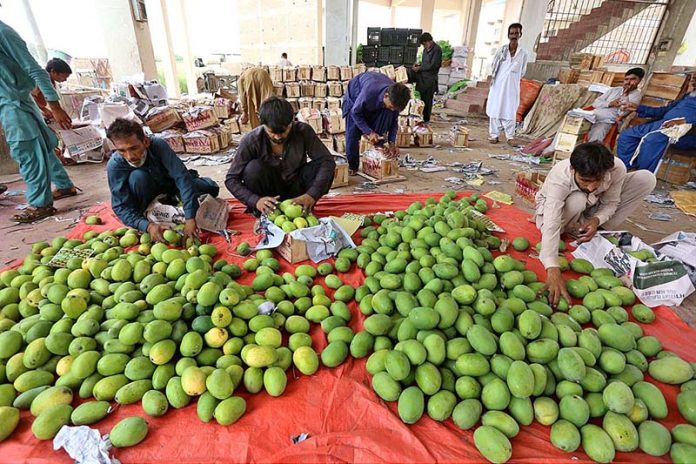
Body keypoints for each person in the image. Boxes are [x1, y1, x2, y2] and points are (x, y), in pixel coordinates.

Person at [535, 142, 656, 305]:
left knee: (646, 179)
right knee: (578, 200)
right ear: (573, 170)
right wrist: (552, 268)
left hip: (591, 208)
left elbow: (611, 203)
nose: (591, 187)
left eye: (597, 180)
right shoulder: (560, 176)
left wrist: (596, 220)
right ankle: (572, 229)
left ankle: (595, 231)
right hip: (561, 211)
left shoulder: (616, 168)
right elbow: (551, 223)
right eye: (585, 180)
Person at [0, 20, 77, 223]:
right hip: (16, 101)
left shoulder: (3, 33)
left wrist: (55, 106)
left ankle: (40, 203)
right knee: (42, 147)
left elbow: (36, 70)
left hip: (15, 103)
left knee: (26, 151)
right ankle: (63, 185)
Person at [106, 118, 219, 242]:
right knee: (138, 177)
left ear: (145, 141)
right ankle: (148, 215)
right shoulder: (115, 165)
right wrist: (147, 226)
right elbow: (120, 206)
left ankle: (173, 202)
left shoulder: (158, 145)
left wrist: (190, 217)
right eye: (121, 150)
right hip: (145, 197)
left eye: (134, 148)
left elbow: (182, 177)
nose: (130, 156)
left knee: (210, 187)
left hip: (170, 188)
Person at [225, 96, 335, 215]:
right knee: (253, 168)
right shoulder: (251, 140)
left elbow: (327, 162)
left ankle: (306, 205)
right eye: (272, 132)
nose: (278, 137)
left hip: (297, 191)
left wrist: (312, 194)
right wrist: (255, 201)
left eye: (283, 132)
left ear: (291, 122)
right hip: (269, 196)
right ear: (263, 125)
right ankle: (263, 211)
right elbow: (231, 179)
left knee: (323, 165)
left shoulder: (303, 131)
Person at [616, 73, 696, 172]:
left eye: (694, 79)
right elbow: (664, 110)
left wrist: (684, 121)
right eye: (693, 78)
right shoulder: (689, 95)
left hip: (685, 132)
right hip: (663, 124)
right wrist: (638, 108)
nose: (692, 81)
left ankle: (643, 176)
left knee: (651, 140)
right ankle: (629, 169)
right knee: (627, 135)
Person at [342, 72, 411, 175]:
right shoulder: (368, 93)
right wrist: (368, 132)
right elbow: (355, 113)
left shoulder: (395, 100)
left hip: (376, 99)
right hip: (354, 100)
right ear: (386, 95)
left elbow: (393, 122)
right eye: (392, 107)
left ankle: (378, 155)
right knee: (353, 132)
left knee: (383, 123)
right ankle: (352, 166)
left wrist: (392, 142)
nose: (392, 109)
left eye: (395, 109)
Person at [486, 23, 528, 145]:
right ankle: (494, 135)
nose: (514, 36)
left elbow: (523, 71)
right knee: (495, 109)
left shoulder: (523, 53)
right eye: (512, 33)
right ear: (508, 35)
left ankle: (510, 136)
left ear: (520, 34)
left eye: (516, 33)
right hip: (498, 86)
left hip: (512, 87)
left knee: (510, 110)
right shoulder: (501, 51)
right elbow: (494, 66)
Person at [586, 67, 644, 142]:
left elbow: (621, 114)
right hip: (592, 116)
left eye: (632, 79)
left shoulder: (636, 96)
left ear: (639, 81)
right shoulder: (614, 90)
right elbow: (595, 103)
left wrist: (626, 94)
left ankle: (591, 151)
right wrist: (610, 103)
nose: (628, 82)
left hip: (607, 121)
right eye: (626, 79)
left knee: (598, 133)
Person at [407, 32, 442, 123]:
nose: (424, 46)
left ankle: (426, 119)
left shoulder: (437, 50)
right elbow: (424, 63)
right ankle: (421, 117)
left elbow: (433, 65)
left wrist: (420, 68)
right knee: (422, 100)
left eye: (424, 44)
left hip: (430, 79)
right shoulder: (425, 50)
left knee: (428, 100)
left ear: (429, 41)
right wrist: (418, 65)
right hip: (422, 78)